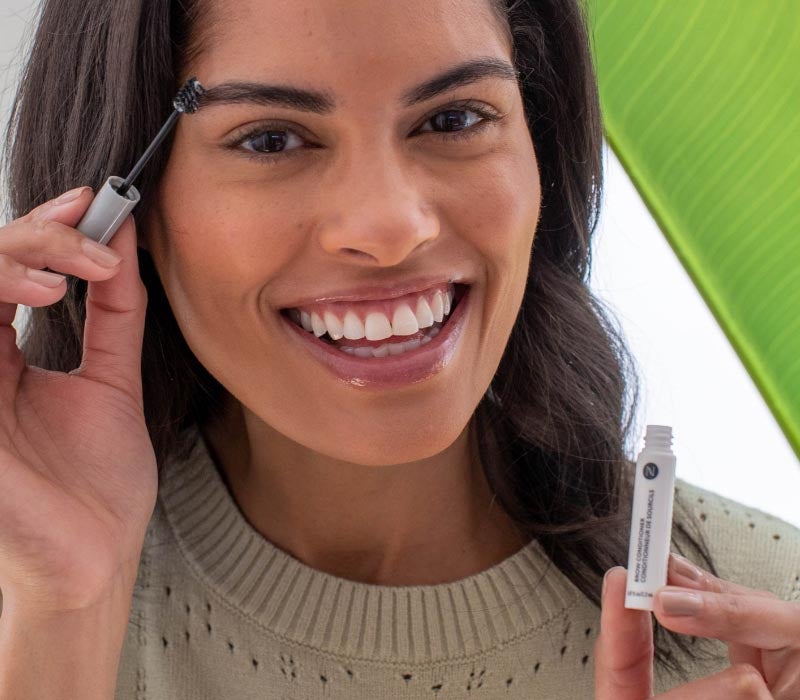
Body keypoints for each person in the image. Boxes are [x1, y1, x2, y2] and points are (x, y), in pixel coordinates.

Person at [1, 0, 798, 698]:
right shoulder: (36, 596)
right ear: (124, 215)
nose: (389, 229)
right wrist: (65, 617)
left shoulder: (772, 629)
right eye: (273, 140)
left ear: (541, 152)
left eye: (453, 119)